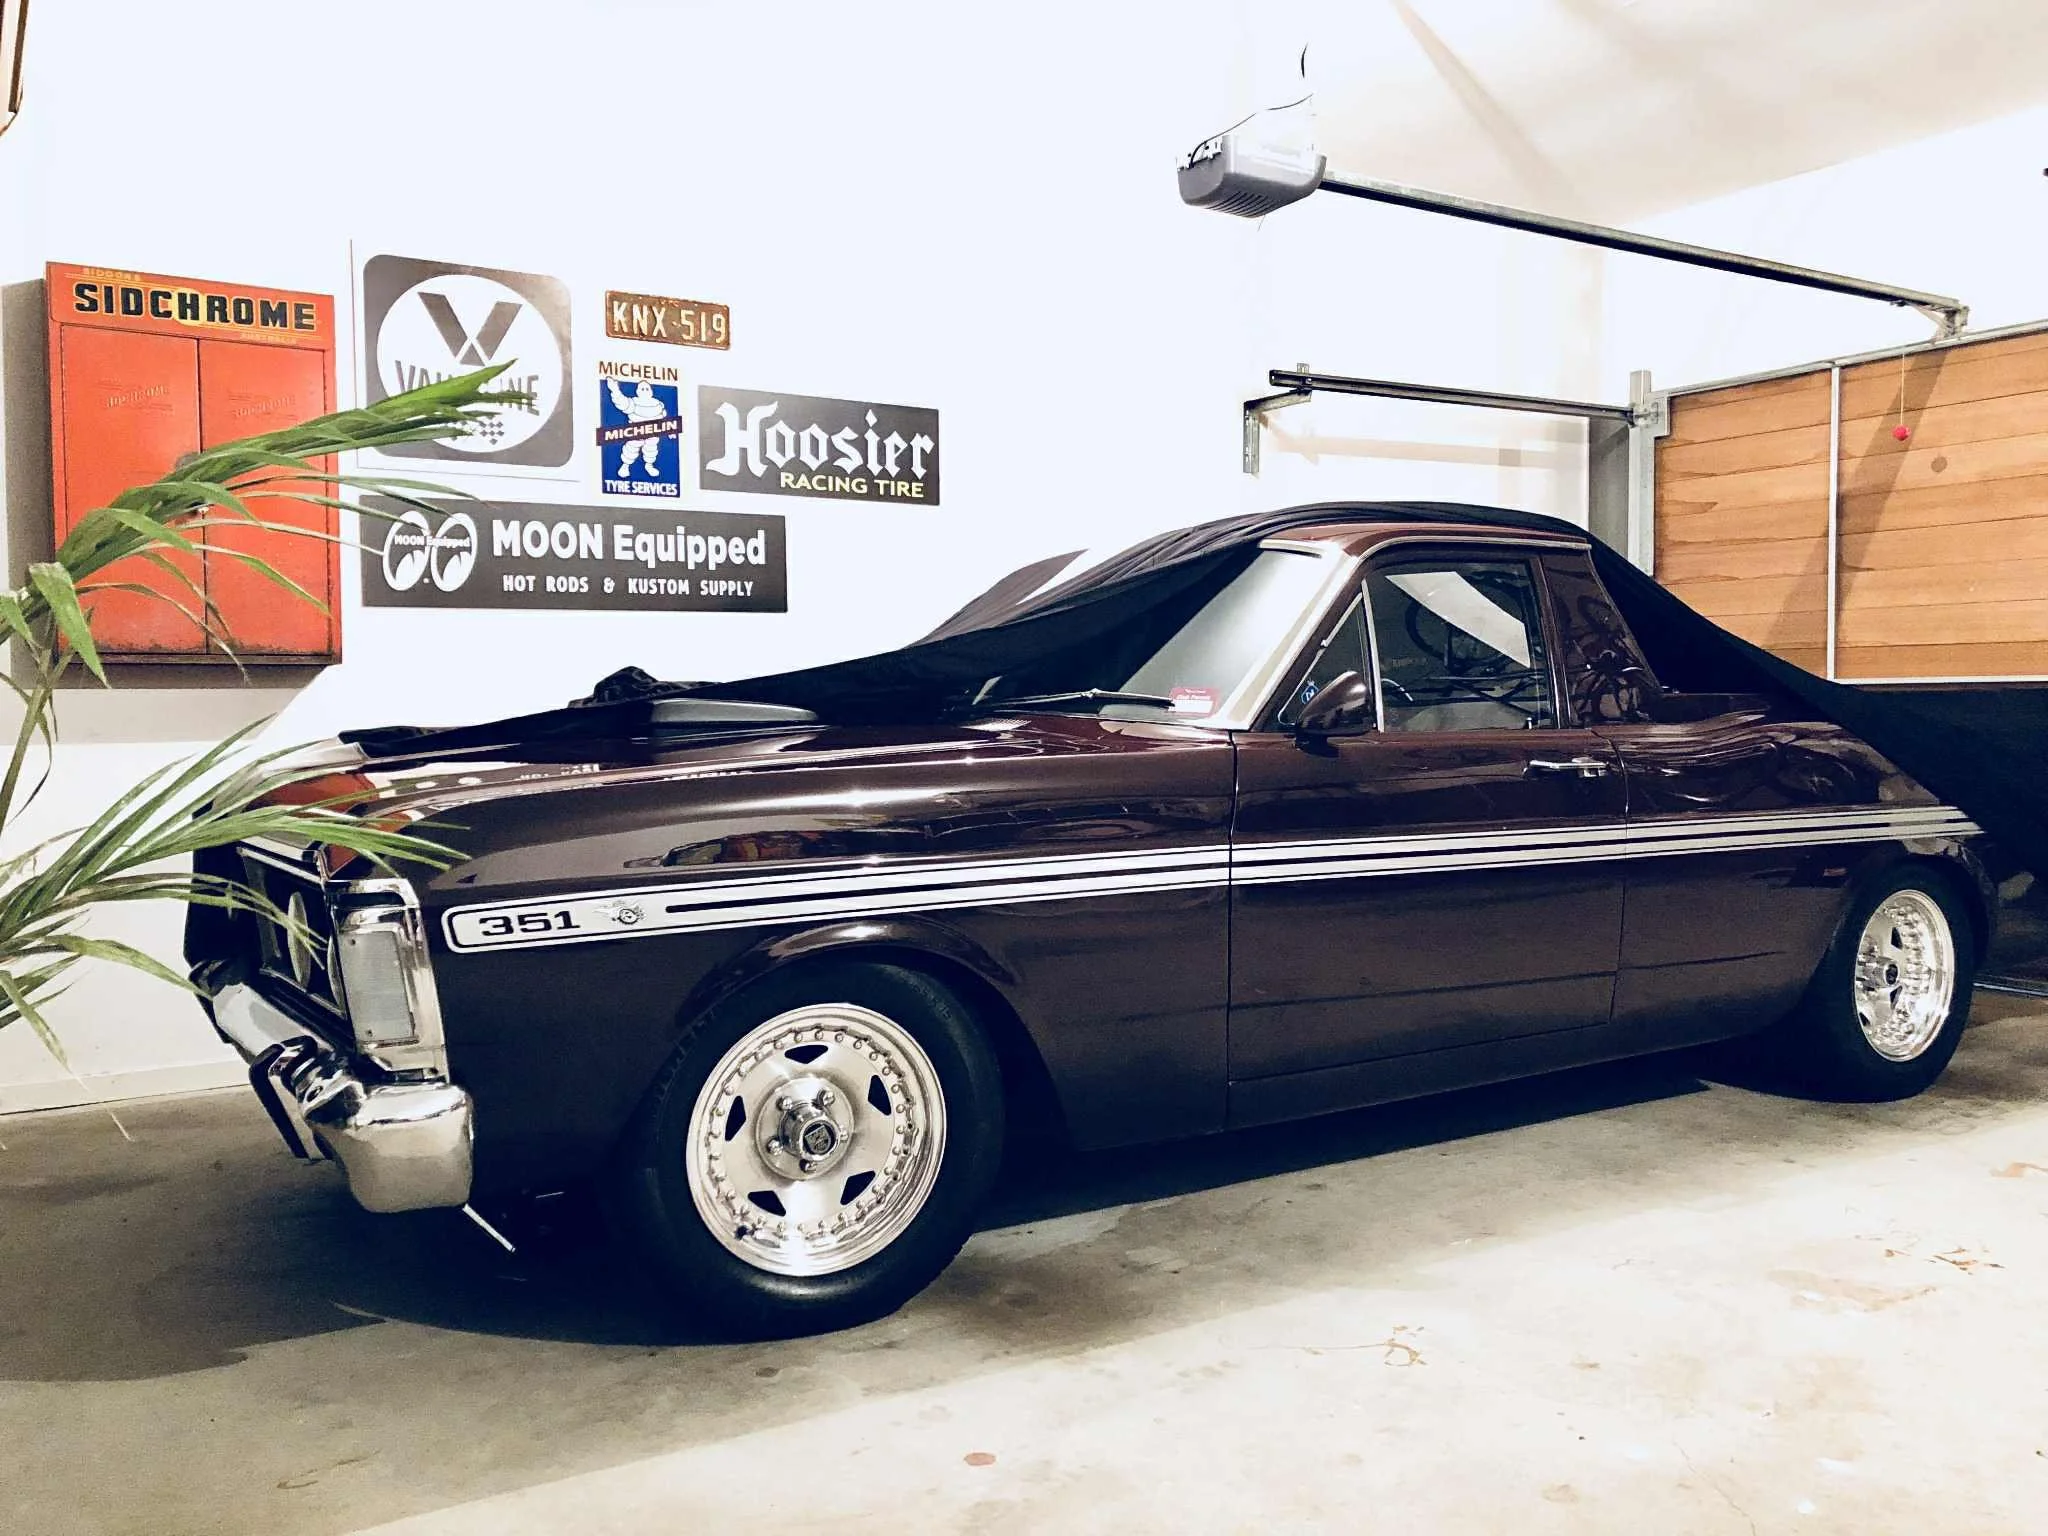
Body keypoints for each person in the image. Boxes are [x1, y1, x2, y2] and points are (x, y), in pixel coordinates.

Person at [607, 379, 670, 479]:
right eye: (642, 388)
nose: (645, 390)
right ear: (637, 391)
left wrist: (670, 431)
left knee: (651, 451)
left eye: (647, 388)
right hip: (636, 433)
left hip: (652, 434)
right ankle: (625, 466)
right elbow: (622, 402)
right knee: (631, 449)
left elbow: (663, 418)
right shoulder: (633, 403)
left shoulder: (658, 404)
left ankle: (649, 465)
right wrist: (615, 390)